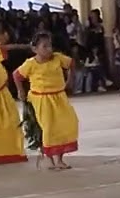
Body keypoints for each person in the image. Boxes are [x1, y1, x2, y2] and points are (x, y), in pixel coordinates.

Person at [13, 34, 79, 169]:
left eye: (50, 46)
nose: (49, 49)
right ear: (35, 49)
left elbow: (71, 63)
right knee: (48, 128)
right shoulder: (30, 63)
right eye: (44, 46)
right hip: (41, 99)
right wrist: (21, 91)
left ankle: (60, 159)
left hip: (59, 97)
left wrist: (70, 80)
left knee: (66, 124)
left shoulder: (58, 58)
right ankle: (50, 159)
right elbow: (17, 75)